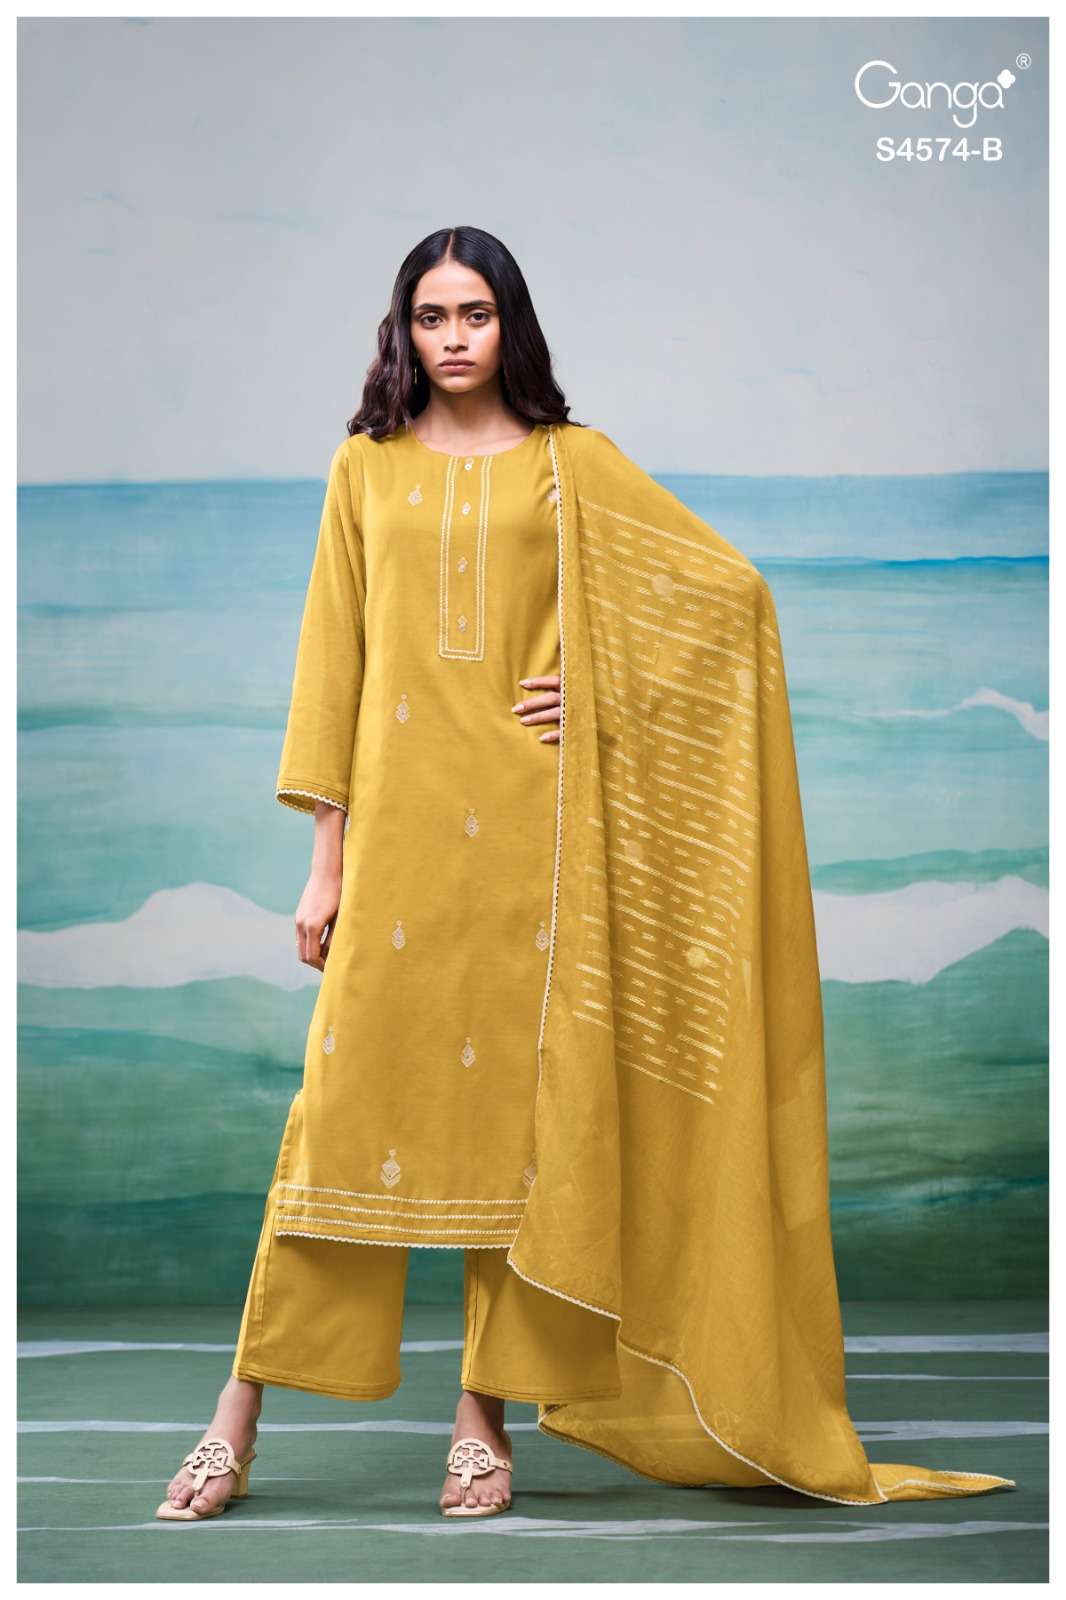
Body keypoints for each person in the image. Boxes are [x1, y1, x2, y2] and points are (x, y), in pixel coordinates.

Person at [157, 226, 1016, 1524]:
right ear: (402, 331)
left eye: (476, 313)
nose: (454, 337)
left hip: (536, 843)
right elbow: (333, 664)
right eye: (432, 315)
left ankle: (481, 1421)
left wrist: (608, 689)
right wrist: (324, 862)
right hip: (395, 845)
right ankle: (235, 1420)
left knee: (520, 1135)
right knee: (336, 1126)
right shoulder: (363, 467)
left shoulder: (573, 465)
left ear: (511, 324)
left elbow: (730, 600)